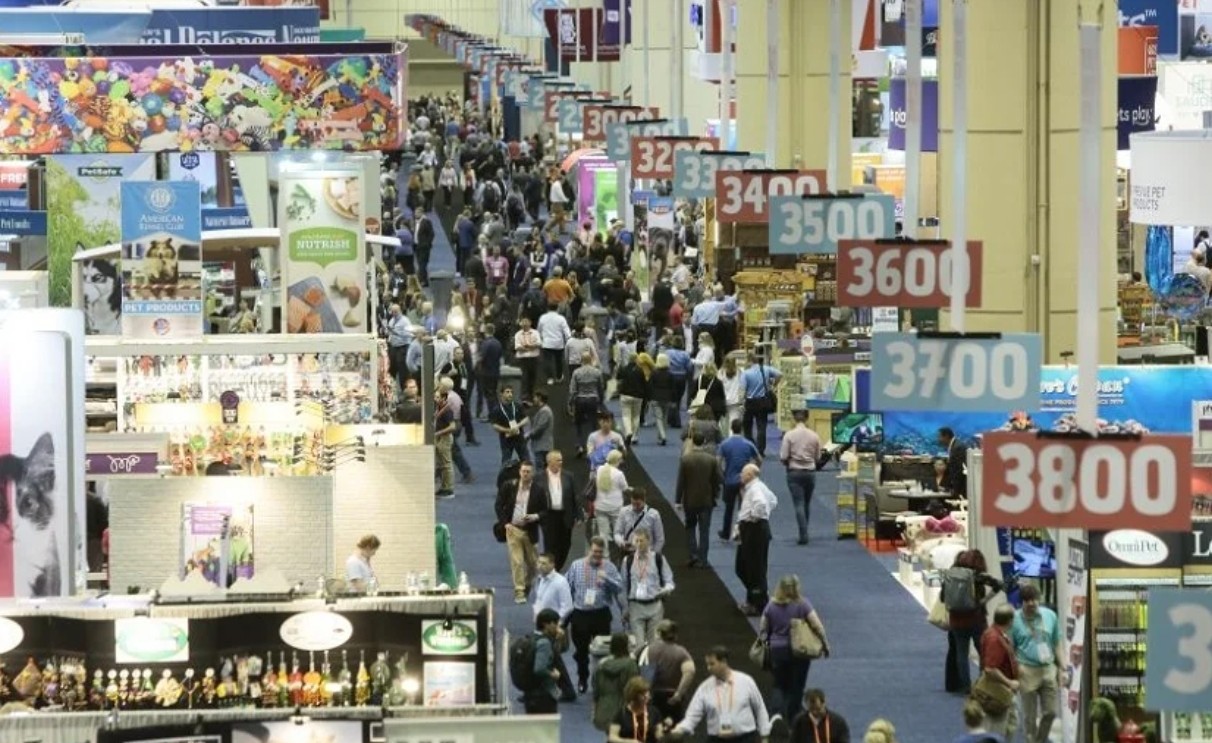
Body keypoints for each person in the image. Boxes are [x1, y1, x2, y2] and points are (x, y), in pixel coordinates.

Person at [760, 575, 830, 722]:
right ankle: (793, 718)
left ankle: (775, 715)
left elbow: (763, 629)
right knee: (797, 686)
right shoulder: (803, 604)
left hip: (778, 651)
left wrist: (767, 648)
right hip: (799, 651)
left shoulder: (771, 605)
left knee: (779, 684)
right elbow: (817, 626)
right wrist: (825, 644)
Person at [669, 645, 773, 741]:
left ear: (723, 661)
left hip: (745, 738)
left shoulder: (746, 681)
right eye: (707, 664)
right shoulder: (704, 688)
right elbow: (692, 716)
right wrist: (680, 729)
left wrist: (765, 736)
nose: (708, 668)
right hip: (716, 740)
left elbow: (760, 709)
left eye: (712, 664)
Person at [566, 537, 626, 694]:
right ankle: (582, 678)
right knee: (581, 652)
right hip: (580, 614)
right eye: (595, 551)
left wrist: (606, 578)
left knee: (603, 651)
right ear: (589, 550)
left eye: (600, 552)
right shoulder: (576, 565)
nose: (597, 555)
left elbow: (619, 587)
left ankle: (601, 682)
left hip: (601, 614)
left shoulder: (609, 567)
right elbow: (567, 587)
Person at [945, 549, 1004, 694]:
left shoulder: (950, 574)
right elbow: (998, 585)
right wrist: (983, 601)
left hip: (956, 620)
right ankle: (983, 683)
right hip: (976, 619)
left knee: (961, 654)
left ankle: (966, 686)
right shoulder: (978, 576)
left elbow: (942, 597)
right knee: (983, 652)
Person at [1011, 584, 1062, 743]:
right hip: (1026, 670)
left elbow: (1057, 642)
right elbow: (1010, 649)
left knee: (1051, 712)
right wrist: (1015, 671)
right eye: (1027, 600)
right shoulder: (1014, 620)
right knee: (1030, 717)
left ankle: (1040, 740)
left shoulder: (1050, 616)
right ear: (1022, 602)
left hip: (1048, 669)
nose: (1031, 603)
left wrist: (1063, 666)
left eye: (1034, 600)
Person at [495, 460, 546, 603]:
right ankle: (519, 591)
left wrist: (536, 516)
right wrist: (505, 523)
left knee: (534, 565)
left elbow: (545, 511)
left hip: (530, 531)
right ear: (519, 472)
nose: (525, 474)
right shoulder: (509, 486)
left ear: (533, 473)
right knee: (517, 562)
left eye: (528, 472)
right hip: (513, 529)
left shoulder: (539, 490)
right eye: (523, 471)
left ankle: (527, 584)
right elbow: (498, 505)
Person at [531, 553, 577, 702]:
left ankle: (566, 691)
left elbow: (567, 606)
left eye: (544, 563)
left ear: (552, 565)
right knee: (551, 660)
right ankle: (564, 690)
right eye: (539, 563)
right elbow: (539, 599)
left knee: (552, 660)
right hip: (542, 626)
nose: (540, 566)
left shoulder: (560, 582)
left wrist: (557, 625)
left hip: (552, 628)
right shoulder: (540, 580)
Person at [734, 463, 777, 616]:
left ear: (750, 475)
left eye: (743, 473)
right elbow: (773, 500)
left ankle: (758, 603)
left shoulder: (755, 489)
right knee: (746, 567)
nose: (740, 475)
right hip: (755, 530)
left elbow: (762, 503)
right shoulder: (759, 486)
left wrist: (754, 517)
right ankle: (757, 598)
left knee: (753, 569)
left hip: (754, 530)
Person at [675, 432, 723, 568]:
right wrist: (715, 495)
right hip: (707, 500)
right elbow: (718, 479)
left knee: (690, 527)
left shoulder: (685, 459)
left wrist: (678, 500)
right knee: (704, 530)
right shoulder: (711, 459)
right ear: (704, 442)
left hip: (689, 500)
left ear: (692, 441)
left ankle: (693, 555)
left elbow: (681, 482)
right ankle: (703, 559)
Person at [622, 529, 675, 645]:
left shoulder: (658, 559)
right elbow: (624, 586)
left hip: (655, 606)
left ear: (648, 541)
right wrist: (625, 608)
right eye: (636, 541)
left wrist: (666, 590)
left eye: (641, 541)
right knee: (639, 644)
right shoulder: (628, 561)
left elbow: (669, 581)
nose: (639, 544)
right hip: (635, 606)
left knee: (654, 644)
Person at [780, 410, 822, 546]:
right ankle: (805, 530)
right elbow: (818, 457)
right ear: (807, 418)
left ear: (794, 419)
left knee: (798, 503)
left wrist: (788, 463)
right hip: (810, 472)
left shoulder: (789, 435)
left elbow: (783, 456)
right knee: (806, 503)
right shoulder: (814, 435)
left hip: (794, 472)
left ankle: (803, 534)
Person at [978, 605, 1020, 738]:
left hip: (1002, 691)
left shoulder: (993, 633)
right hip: (998, 693)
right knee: (997, 730)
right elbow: (990, 669)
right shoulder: (995, 639)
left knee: (1010, 726)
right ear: (1010, 621)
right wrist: (1009, 683)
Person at [717, 419, 762, 541]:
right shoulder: (748, 444)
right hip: (745, 481)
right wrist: (753, 472)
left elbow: (718, 462)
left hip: (729, 480)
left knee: (728, 508)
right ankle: (740, 531)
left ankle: (726, 532)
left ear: (731, 428)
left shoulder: (725, 444)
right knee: (743, 508)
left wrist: (722, 475)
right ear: (741, 429)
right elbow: (759, 459)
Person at [646, 620, 696, 723]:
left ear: (659, 633)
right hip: (672, 697)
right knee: (674, 729)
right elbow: (690, 671)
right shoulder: (681, 652)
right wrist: (679, 694)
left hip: (653, 696)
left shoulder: (649, 650)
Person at [594, 632, 642, 732]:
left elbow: (596, 690)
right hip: (623, 710)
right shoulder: (631, 665)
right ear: (626, 646)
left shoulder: (602, 665)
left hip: (604, 709)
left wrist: (595, 709)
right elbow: (635, 689)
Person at [540, 450, 579, 570]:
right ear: (549, 462)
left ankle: (557, 567)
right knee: (550, 545)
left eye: (561, 460)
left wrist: (579, 515)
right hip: (549, 516)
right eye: (558, 460)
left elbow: (574, 496)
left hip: (565, 515)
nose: (561, 462)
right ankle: (551, 569)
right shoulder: (539, 477)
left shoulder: (569, 476)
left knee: (565, 545)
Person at [522, 608, 563, 714]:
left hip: (529, 690)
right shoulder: (544, 643)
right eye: (555, 624)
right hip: (543, 693)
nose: (558, 627)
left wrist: (557, 640)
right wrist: (553, 675)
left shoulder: (531, 636)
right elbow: (539, 668)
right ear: (546, 624)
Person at [609, 677, 673, 743]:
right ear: (633, 695)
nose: (647, 696)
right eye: (643, 694)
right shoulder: (621, 714)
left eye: (647, 693)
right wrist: (628, 741)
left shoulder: (654, 712)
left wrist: (666, 729)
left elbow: (658, 735)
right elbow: (612, 737)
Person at [741, 352, 782, 456]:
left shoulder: (746, 373)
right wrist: (773, 385)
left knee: (747, 427)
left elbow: (742, 390)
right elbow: (779, 374)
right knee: (761, 426)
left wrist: (742, 402)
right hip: (762, 401)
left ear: (749, 361)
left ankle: (750, 447)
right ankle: (760, 450)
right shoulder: (765, 369)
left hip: (750, 402)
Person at [594, 449, 629, 554]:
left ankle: (605, 555)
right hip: (615, 507)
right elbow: (625, 488)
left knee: (603, 533)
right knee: (618, 532)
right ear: (618, 460)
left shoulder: (599, 469)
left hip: (600, 506)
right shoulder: (619, 474)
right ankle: (623, 549)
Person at [615, 487, 666, 556]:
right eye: (633, 504)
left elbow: (660, 539)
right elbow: (617, 533)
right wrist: (621, 543)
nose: (635, 507)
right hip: (628, 553)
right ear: (631, 499)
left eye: (638, 504)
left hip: (647, 554)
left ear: (644, 500)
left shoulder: (654, 515)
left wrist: (653, 555)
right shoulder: (623, 512)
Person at [490, 386, 531, 466]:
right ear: (501, 394)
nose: (510, 394)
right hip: (506, 439)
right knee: (506, 462)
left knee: (526, 459)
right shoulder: (497, 409)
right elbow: (495, 426)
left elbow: (526, 419)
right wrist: (508, 430)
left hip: (519, 437)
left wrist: (517, 426)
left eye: (511, 392)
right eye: (507, 392)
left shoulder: (517, 406)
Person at [537, 303, 571, 384]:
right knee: (559, 361)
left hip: (547, 343)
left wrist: (540, 339)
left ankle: (550, 378)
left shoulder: (543, 318)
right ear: (557, 308)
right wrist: (569, 339)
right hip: (558, 343)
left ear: (547, 308)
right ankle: (559, 377)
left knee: (547, 361)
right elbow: (566, 331)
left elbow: (539, 330)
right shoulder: (561, 318)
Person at [434, 390, 458, 499]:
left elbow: (452, 426)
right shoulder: (439, 408)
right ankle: (444, 487)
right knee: (442, 464)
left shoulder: (447, 411)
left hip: (445, 438)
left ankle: (449, 489)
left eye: (437, 397)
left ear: (444, 398)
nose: (435, 399)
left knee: (447, 464)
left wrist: (438, 433)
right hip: (440, 438)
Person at [513, 316, 541, 399]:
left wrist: (528, 346)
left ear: (530, 323)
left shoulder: (535, 333)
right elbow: (517, 347)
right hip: (522, 359)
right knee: (524, 377)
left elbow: (539, 343)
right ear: (520, 324)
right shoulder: (518, 334)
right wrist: (530, 348)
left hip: (533, 358)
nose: (525, 324)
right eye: (523, 322)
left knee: (533, 377)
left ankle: (532, 394)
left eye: (526, 321)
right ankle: (524, 396)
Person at [938, 427, 969, 497]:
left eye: (940, 437)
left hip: (962, 489)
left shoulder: (958, 448)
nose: (939, 440)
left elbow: (958, 471)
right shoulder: (954, 446)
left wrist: (955, 491)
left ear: (946, 436)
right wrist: (943, 486)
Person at [529, 391, 554, 468]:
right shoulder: (543, 410)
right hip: (542, 446)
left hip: (542, 447)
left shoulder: (545, 411)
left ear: (539, 398)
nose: (533, 399)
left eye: (535, 397)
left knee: (540, 471)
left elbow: (539, 428)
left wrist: (528, 435)